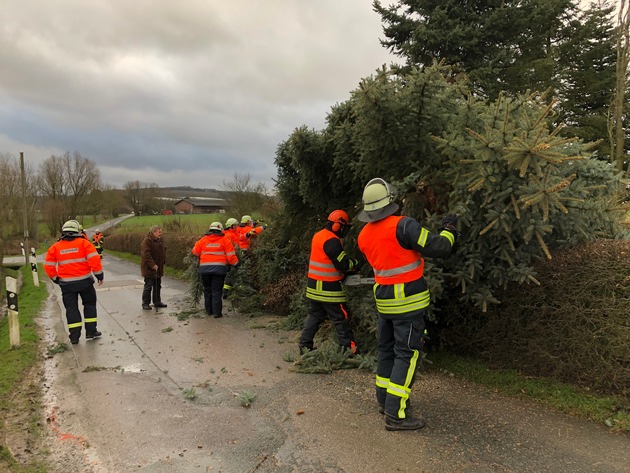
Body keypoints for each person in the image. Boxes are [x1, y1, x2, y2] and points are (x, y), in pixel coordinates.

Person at [357, 178, 458, 431]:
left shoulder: (363, 235)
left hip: (385, 304)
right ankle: (396, 415)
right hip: (408, 305)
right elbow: (439, 246)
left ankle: (384, 401)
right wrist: (449, 228)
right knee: (408, 354)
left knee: (387, 352)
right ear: (390, 202)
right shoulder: (404, 226)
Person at [298, 210, 361, 354]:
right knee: (340, 318)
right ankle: (348, 349)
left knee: (314, 316)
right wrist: (356, 264)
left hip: (314, 286)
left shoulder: (318, 235)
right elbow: (343, 263)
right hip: (329, 288)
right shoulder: (331, 240)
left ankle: (305, 345)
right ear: (338, 225)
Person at [44, 219, 104, 345]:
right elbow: (94, 260)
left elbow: (48, 265)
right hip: (85, 282)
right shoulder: (84, 243)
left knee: (71, 309)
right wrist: (99, 275)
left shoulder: (56, 247)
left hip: (66, 285)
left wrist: (55, 278)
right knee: (89, 305)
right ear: (77, 231)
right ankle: (91, 332)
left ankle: (74, 337)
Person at [192, 222, 239, 317]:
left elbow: (195, 252)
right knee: (216, 291)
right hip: (219, 270)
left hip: (204, 269)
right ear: (221, 230)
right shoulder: (225, 240)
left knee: (207, 290)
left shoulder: (203, 240)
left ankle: (209, 311)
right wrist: (237, 264)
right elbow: (231, 257)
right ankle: (217, 313)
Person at [140, 225, 167, 310]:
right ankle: (145, 303)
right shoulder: (147, 241)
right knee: (148, 286)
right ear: (154, 232)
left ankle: (157, 302)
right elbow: (146, 255)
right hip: (149, 268)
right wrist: (152, 265)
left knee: (157, 285)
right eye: (159, 232)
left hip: (158, 268)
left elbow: (163, 251)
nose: (161, 234)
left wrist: (163, 261)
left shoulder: (160, 240)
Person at [222, 217, 240, 299]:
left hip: (232, 256)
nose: (236, 226)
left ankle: (226, 291)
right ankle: (225, 293)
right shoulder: (228, 235)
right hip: (229, 259)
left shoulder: (234, 233)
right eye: (235, 225)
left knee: (229, 275)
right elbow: (230, 249)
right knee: (228, 275)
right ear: (231, 226)